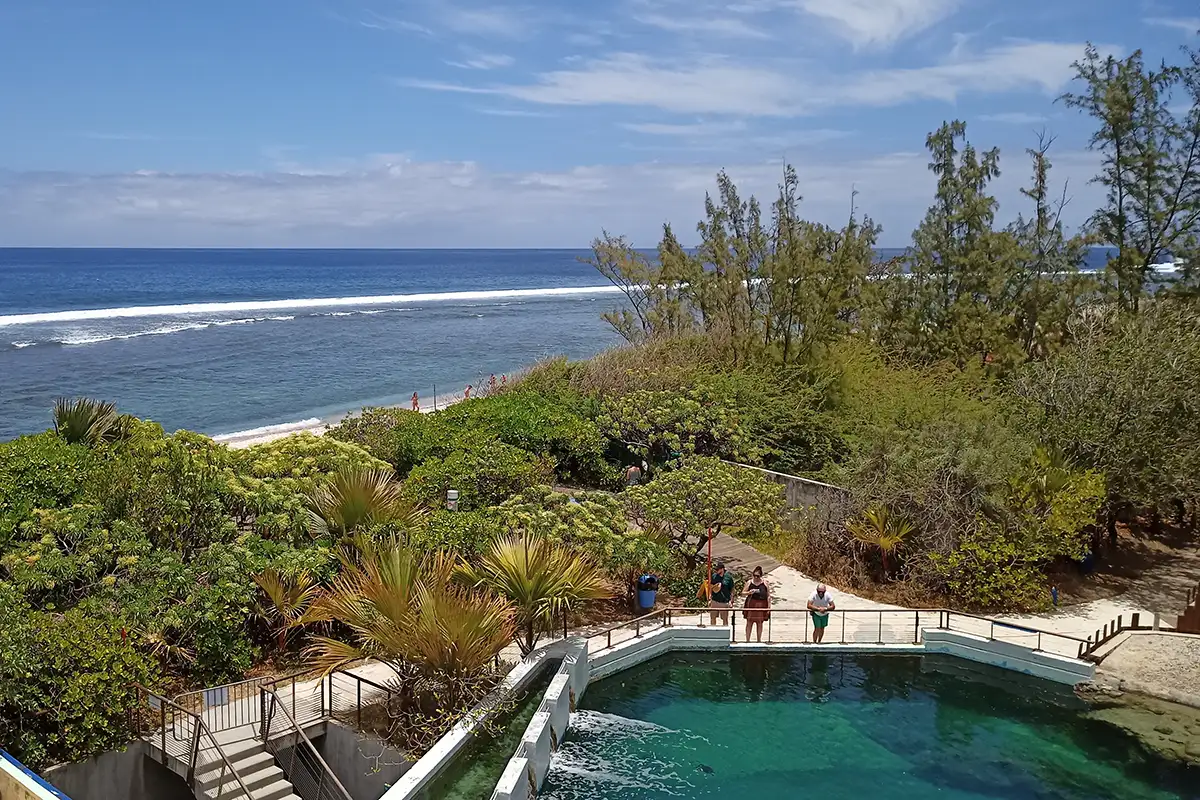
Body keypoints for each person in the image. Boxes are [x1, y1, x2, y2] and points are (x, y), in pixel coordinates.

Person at [741, 566, 771, 642]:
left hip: (761, 605)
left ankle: (759, 640)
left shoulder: (765, 583)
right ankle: (747, 640)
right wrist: (749, 592)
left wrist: (769, 607)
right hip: (751, 604)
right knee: (749, 622)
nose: (755, 577)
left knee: (760, 623)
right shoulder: (749, 582)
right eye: (754, 575)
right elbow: (742, 593)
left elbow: (768, 596)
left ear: (760, 576)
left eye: (757, 576)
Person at [709, 561, 734, 626]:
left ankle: (725, 633)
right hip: (715, 600)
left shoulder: (728, 577)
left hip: (724, 602)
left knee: (725, 619)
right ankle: (713, 631)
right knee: (713, 618)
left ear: (722, 569)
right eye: (716, 569)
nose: (716, 571)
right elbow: (710, 587)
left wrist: (731, 601)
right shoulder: (714, 576)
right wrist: (709, 597)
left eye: (718, 569)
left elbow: (732, 590)